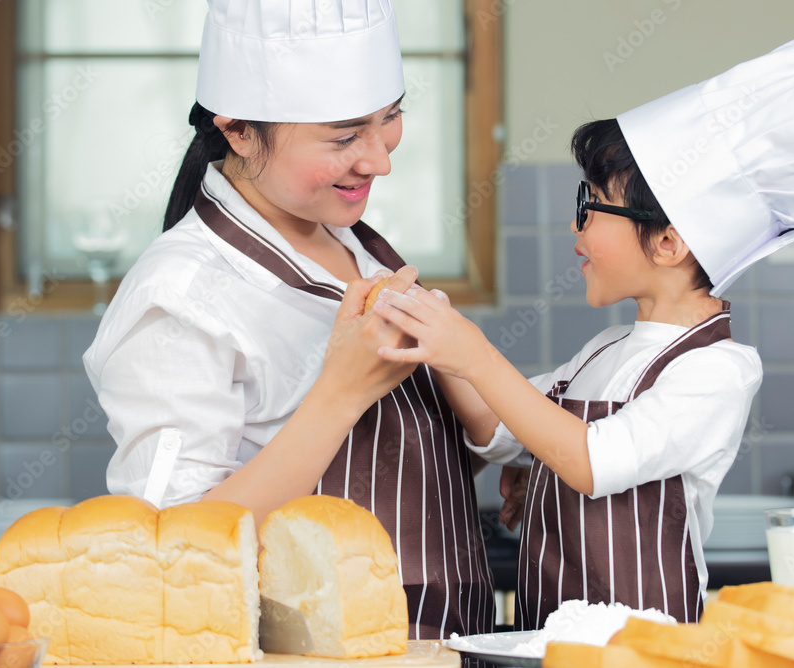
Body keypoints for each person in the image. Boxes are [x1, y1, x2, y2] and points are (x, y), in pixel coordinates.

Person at [372, 36, 794, 629]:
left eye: (591, 204)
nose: (575, 222)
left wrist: (476, 354)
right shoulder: (604, 350)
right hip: (546, 641)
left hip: (647, 650)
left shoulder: (717, 370)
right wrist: (436, 339)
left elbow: (592, 462)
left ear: (668, 242)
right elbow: (498, 427)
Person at [83, 0, 495, 639]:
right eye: (342, 135)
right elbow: (169, 557)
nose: (379, 159)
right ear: (240, 131)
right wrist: (342, 393)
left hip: (442, 640)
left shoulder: (353, 243)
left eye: (391, 118)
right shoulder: (181, 297)